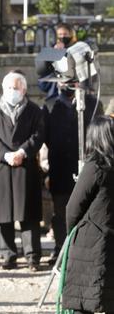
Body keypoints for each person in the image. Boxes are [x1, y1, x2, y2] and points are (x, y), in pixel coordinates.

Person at [61, 116, 114, 314]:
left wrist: (72, 233)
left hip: (90, 242)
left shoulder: (96, 165)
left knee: (82, 302)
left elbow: (73, 207)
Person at [0, 72, 45, 270]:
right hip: (1, 167)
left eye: (16, 88)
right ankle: (8, 254)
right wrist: (4, 154)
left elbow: (39, 134)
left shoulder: (34, 110)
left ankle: (32, 255)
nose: (12, 92)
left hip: (25, 167)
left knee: (29, 214)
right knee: (3, 213)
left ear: (24, 90)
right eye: (9, 87)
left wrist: (23, 152)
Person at [43, 82, 101, 264]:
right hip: (60, 168)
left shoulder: (92, 103)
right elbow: (45, 135)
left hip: (87, 167)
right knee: (60, 211)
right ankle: (61, 248)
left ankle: (85, 248)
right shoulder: (51, 104)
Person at [38, 23, 77, 100]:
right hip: (55, 94)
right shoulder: (51, 51)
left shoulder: (76, 49)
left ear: (71, 35)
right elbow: (42, 82)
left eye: (65, 34)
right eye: (60, 34)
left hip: (74, 93)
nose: (62, 37)